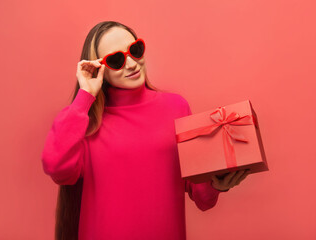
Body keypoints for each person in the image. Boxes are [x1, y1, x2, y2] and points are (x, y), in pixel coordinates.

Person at [41, 20, 250, 240]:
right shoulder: (85, 121)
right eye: (116, 60)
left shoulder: (176, 107)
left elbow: (199, 193)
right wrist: (85, 96)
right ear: (98, 68)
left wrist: (217, 184)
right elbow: (56, 166)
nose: (131, 64)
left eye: (135, 50)